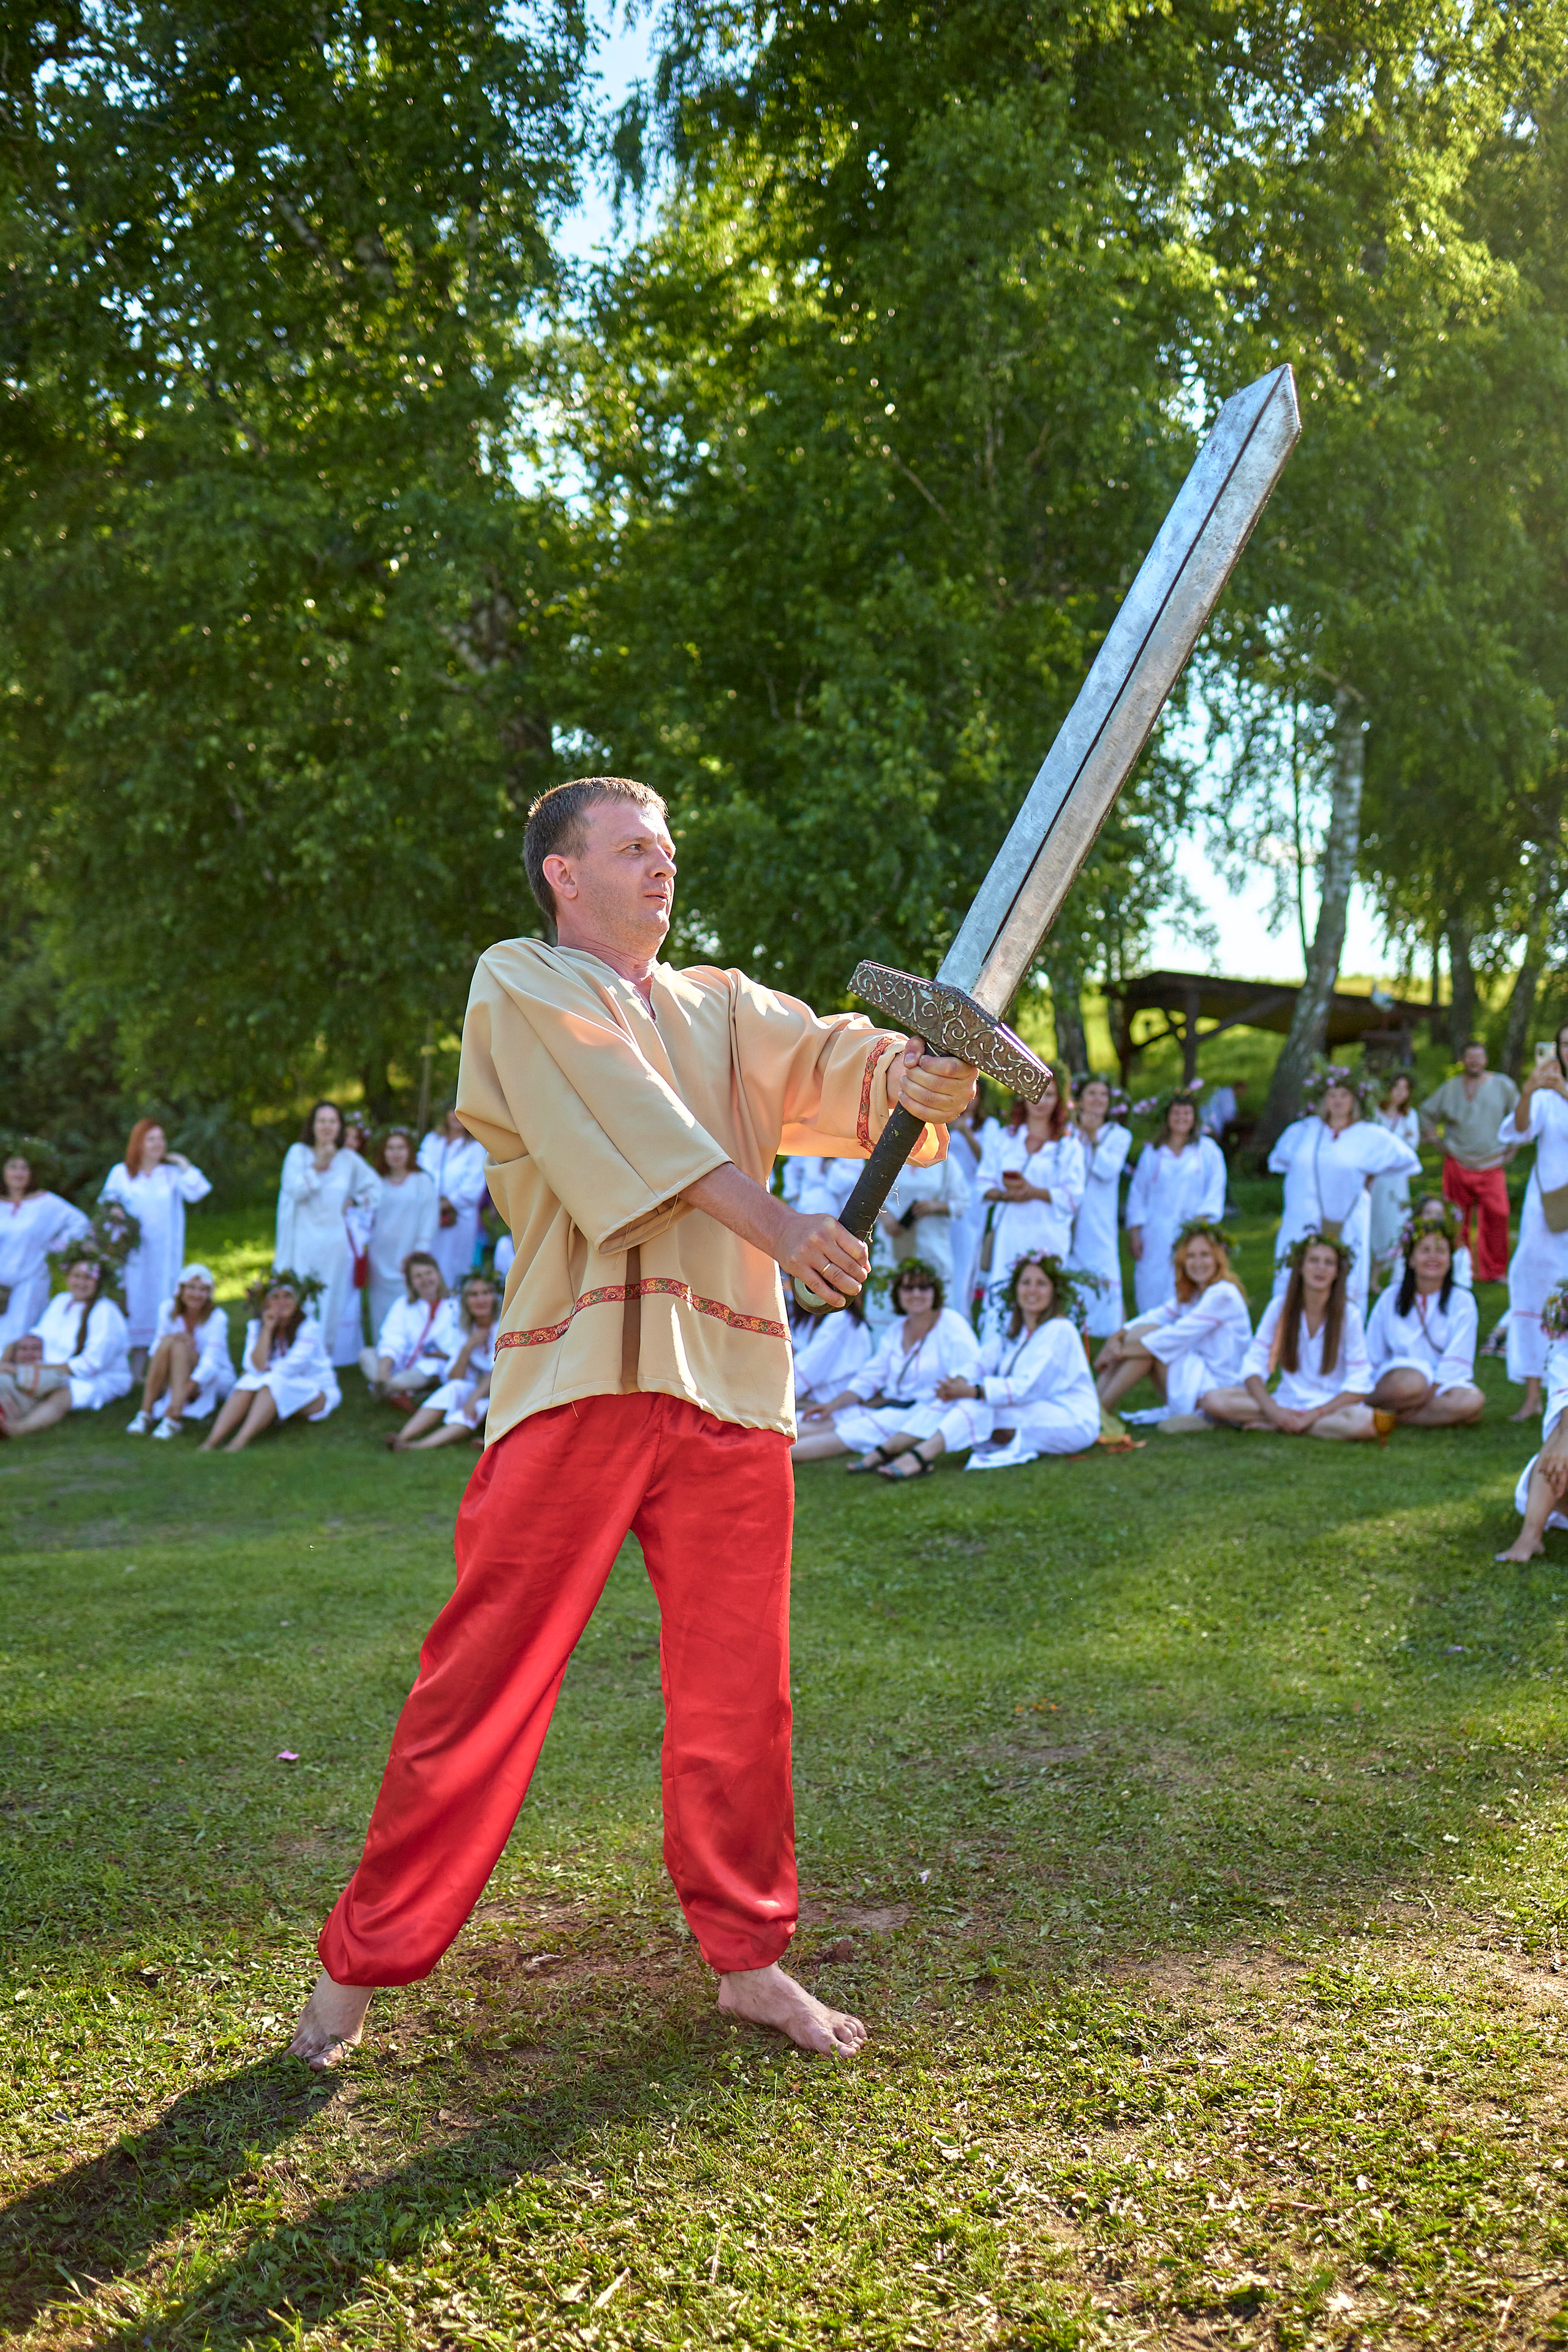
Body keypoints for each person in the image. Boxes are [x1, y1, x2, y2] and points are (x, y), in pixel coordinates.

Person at [289, 772, 976, 2073]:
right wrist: (784, 1229)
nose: (662, 870)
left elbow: (835, 1058)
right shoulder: (523, 982)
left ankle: (750, 1958)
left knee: (739, 1695)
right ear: (561, 871)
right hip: (578, 1380)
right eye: (632, 851)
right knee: (481, 1680)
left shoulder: (719, 1002)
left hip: (730, 1384)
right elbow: (627, 1120)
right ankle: (355, 1970)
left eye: (668, 850)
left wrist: (916, 1072)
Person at [874, 1252, 1101, 1476]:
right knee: (964, 1401)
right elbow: (980, 1363)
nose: (1032, 1290)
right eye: (1026, 1283)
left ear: (1054, 1292)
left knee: (977, 1406)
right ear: (1016, 1289)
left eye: (1041, 1284)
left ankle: (918, 1455)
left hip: (1071, 1418)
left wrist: (973, 1391)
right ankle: (894, 1447)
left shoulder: (1060, 1330)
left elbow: (1027, 1388)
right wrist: (959, 1382)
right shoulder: (1016, 1332)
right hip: (1034, 1407)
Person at [790, 1261, 981, 1468]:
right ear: (898, 1294)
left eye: (923, 1288)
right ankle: (764, 1442)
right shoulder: (896, 1330)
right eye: (908, 1288)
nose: (916, 1294)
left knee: (848, 1433)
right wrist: (832, 1405)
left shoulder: (951, 1324)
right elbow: (871, 1377)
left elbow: (972, 1368)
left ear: (935, 1292)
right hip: (884, 1405)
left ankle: (774, 1455)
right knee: (823, 1419)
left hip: (921, 1410)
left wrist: (953, 1388)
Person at [1268, 1065, 1420, 1317]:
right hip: (1302, 1213)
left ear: (1355, 1100)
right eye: (1332, 1095)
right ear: (1323, 1099)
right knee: (1295, 1268)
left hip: (1347, 1218)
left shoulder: (1367, 1135)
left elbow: (1407, 1160)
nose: (1337, 1101)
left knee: (1345, 1274)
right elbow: (1278, 1161)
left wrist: (1373, 1173)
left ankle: (1344, 1335)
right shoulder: (1304, 1130)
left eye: (1344, 1095)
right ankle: (1287, 1331)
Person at [1202, 1232, 1385, 1441]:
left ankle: (1281, 1427)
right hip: (1286, 1402)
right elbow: (1254, 1365)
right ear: (1300, 1268)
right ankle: (1289, 1424)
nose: (1321, 1268)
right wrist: (1274, 1411)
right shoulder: (1280, 1307)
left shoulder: (1348, 1315)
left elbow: (1359, 1385)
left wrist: (1313, 1415)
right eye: (1314, 1261)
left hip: (1330, 1408)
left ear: (1337, 1273)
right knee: (1214, 1400)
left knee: (1367, 1424)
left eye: (1329, 1263)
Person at [1093, 1220, 1252, 1431]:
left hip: (1219, 1386)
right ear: (1182, 1261)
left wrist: (1118, 1352)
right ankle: (1094, 1406)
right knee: (1145, 1333)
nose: (1198, 1263)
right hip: (1197, 1377)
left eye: (1205, 1255)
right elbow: (1152, 1317)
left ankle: (1100, 1409)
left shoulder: (1223, 1294)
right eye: (1190, 1256)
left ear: (1218, 1258)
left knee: (1152, 1342)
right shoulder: (1193, 1295)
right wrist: (1116, 1338)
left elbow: (1177, 1337)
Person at [99, 1120, 212, 1375]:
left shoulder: (171, 1175)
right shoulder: (122, 1174)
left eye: (161, 1139)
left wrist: (184, 1164)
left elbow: (199, 1191)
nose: (158, 1144)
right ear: (138, 1143)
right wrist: (115, 1215)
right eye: (151, 1139)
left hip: (164, 1254)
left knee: (164, 1300)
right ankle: (136, 1366)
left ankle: (164, 1363)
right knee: (136, 1302)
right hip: (134, 1255)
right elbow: (107, 1205)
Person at [274, 1102, 381, 1371]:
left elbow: (376, 1188)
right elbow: (294, 1190)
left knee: (330, 1302)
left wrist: (355, 1200)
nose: (327, 1127)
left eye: (332, 1121)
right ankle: (293, 1360)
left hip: (334, 1243)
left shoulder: (348, 1159)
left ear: (340, 1127)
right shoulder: (298, 1154)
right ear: (312, 1125)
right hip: (302, 1241)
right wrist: (319, 1166)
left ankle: (321, 1363)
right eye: (321, 1121)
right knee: (300, 1299)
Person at [975, 1071, 1085, 1329]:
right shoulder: (1005, 1139)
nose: (1042, 1101)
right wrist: (1008, 1195)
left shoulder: (1068, 1145)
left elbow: (1074, 1196)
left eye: (1049, 1095)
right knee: (1007, 1285)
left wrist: (1035, 1192)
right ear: (1023, 1097)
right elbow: (982, 1185)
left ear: (1059, 1101)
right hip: (1012, 1230)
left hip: (1049, 1232)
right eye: (1036, 1094)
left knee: (1046, 1290)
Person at [1502, 1020, 1568, 1424]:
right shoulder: (1545, 1095)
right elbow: (1521, 1131)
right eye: (1565, 1043)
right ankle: (1533, 1393)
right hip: (1547, 1208)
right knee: (1533, 1287)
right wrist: (1529, 1091)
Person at [1365, 1210, 1483, 1428]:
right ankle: (1369, 1405)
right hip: (1400, 1376)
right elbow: (1373, 1351)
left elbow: (1459, 1354)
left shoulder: (1462, 1300)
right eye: (1425, 1251)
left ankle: (1398, 1417)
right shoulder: (1391, 1297)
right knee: (1412, 1382)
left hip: (1442, 1383)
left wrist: (1432, 1389)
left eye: (1440, 1251)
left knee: (1473, 1399)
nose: (1433, 1257)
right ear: (1411, 1259)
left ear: (1450, 1260)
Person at [200, 1272, 339, 1452]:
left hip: (315, 1391)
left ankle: (238, 1442)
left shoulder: (309, 1328)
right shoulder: (257, 1326)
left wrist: (263, 1369)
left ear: (297, 1301)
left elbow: (292, 1366)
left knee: (269, 1382)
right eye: (275, 1298)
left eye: (288, 1296)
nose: (282, 1302)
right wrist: (267, 1329)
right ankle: (211, 1442)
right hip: (274, 1382)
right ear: (266, 1303)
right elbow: (252, 1365)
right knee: (246, 1383)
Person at [0, 1253, 132, 1434]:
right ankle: (8, 1416)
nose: (81, 1283)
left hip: (96, 1378)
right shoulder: (61, 1301)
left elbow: (91, 1364)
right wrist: (7, 1357)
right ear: (68, 1277)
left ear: (99, 1282)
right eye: (76, 1276)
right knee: (5, 1379)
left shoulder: (105, 1311)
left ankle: (17, 1429)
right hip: (47, 1371)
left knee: (63, 1393)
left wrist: (40, 1370)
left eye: (88, 1278)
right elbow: (37, 1335)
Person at [1420, 1041, 1518, 1286]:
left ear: (1485, 1060)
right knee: (1456, 1218)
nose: (1474, 1062)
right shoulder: (1451, 1087)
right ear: (1463, 1060)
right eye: (1469, 1057)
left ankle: (1494, 1271)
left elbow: (1521, 1116)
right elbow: (1426, 1112)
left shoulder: (1502, 1085)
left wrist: (1513, 1148)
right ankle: (1457, 1267)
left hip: (1491, 1161)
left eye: (1478, 1057)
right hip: (1458, 1160)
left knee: (1498, 1215)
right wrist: (1436, 1141)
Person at [1125, 1087, 1226, 1314]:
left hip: (1192, 1229)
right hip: (1156, 1231)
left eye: (1186, 1114)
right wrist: (1135, 1233)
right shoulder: (1153, 1153)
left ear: (1194, 1118)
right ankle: (1150, 1327)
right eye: (1176, 1114)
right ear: (1168, 1118)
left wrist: (1198, 1227)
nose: (1181, 1119)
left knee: (1188, 1277)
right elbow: (1138, 1193)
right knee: (1153, 1280)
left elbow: (1215, 1189)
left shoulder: (1207, 1151)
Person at [1497, 1281, 1568, 1562]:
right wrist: (1563, 1444)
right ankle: (1530, 1538)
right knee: (1557, 1441)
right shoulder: (1564, 1357)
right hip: (1561, 1476)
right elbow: (1565, 1411)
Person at [388, 1273, 502, 1450]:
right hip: (478, 1386)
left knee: (476, 1407)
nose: (481, 1299)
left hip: (503, 1391)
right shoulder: (463, 1328)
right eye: (474, 1295)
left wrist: (472, 1399)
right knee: (452, 1390)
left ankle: (417, 1447)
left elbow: (499, 1370)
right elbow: (454, 1377)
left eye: (486, 1293)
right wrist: (467, 1348)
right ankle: (402, 1436)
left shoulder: (504, 1324)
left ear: (494, 1297)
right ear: (466, 1301)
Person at [126, 1264, 235, 1438]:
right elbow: (156, 1350)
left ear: (209, 1293)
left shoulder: (218, 1318)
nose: (196, 1294)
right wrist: (176, 1338)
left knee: (178, 1346)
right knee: (171, 1342)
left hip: (213, 1378)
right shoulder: (167, 1309)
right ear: (181, 1289)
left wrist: (185, 1392)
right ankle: (145, 1413)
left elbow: (211, 1364)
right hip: (175, 1367)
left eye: (203, 1290)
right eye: (191, 1288)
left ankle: (174, 1416)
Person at [0, 1142, 91, 1352]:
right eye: (13, 1167)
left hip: (30, 1279)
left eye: (25, 1168)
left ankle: (17, 1379)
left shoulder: (46, 1203)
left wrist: (56, 1246)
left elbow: (80, 1223)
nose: (19, 1173)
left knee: (17, 1336)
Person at [1068, 1075, 1133, 1338]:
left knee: (1102, 1265)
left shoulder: (1119, 1135)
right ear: (1080, 1100)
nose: (1097, 1099)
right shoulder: (1067, 1131)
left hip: (1099, 1214)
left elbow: (1107, 1170)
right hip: (1070, 1211)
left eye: (1103, 1095)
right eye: (1091, 1093)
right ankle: (1072, 1324)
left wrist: (1092, 1136)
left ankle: (1109, 1329)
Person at [363, 1127, 440, 1335]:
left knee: (411, 1304)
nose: (396, 1153)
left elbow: (429, 1217)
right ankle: (384, 1354)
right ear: (383, 1153)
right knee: (381, 1308)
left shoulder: (422, 1181)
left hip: (410, 1255)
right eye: (390, 1148)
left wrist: (420, 1251)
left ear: (409, 1152)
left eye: (401, 1148)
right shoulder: (376, 1182)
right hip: (380, 1257)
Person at [361, 1252, 459, 1401]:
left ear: (438, 1275)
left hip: (430, 1364)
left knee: (426, 1369)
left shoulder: (454, 1305)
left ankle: (385, 1388)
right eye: (418, 1276)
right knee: (366, 1354)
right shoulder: (403, 1304)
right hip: (401, 1361)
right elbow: (393, 1337)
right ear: (411, 1282)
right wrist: (383, 1369)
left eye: (429, 1273)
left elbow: (459, 1342)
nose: (425, 1279)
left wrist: (443, 1354)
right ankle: (389, 1386)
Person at [878, 1147, 971, 1293]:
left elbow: (963, 1203)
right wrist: (885, 1216)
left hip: (931, 1240)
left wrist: (936, 1207)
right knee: (890, 1288)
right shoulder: (889, 1156)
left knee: (931, 1289)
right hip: (893, 1240)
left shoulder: (945, 1162)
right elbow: (867, 1195)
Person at [418, 1105, 490, 1289]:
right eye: (452, 1110)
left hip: (459, 1217)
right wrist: (432, 1201)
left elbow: (473, 1183)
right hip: (428, 1212)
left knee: (455, 1264)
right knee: (428, 1259)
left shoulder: (476, 1147)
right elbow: (422, 1169)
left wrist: (448, 1203)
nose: (456, 1115)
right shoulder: (432, 1140)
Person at [1368, 1073, 1422, 1279]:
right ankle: (1372, 1275)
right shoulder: (1375, 1115)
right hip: (1376, 1178)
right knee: (1375, 1220)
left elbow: (1412, 1146)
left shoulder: (1410, 1117)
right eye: (1396, 1087)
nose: (1400, 1093)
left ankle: (1395, 1274)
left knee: (1396, 1221)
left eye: (1405, 1089)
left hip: (1397, 1179)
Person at [791, 1287, 875, 1410]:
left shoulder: (841, 1318)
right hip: (812, 1397)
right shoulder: (810, 1318)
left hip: (832, 1402)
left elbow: (809, 1369)